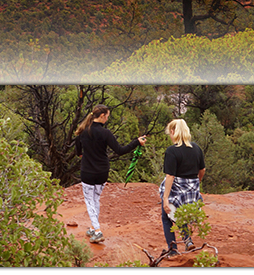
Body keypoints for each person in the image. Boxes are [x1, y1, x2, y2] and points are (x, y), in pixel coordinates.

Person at [74, 104, 147, 243]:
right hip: (102, 172)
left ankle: (97, 230)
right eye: (107, 116)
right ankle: (92, 228)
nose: (107, 118)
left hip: (87, 172)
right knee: (95, 199)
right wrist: (136, 142)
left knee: (90, 201)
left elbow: (78, 153)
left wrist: (88, 158)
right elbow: (120, 150)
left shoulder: (82, 131)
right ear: (101, 116)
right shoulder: (105, 133)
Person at [159, 118, 206, 256]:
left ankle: (172, 250)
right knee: (180, 214)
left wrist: (165, 198)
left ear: (173, 132)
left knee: (166, 216)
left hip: (177, 189)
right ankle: (188, 240)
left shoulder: (172, 151)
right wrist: (196, 184)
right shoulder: (196, 148)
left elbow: (170, 176)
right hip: (191, 191)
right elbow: (202, 170)